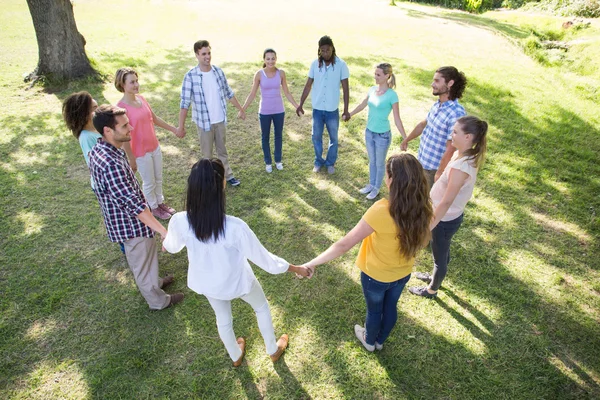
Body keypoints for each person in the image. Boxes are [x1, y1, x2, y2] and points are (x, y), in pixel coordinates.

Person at [163, 158, 311, 366]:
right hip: (239, 283)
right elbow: (265, 260)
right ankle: (272, 349)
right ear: (221, 185)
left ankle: (235, 356)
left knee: (223, 319)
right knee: (261, 307)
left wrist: (166, 240)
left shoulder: (179, 221)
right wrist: (296, 268)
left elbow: (171, 246)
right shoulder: (235, 227)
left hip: (208, 284)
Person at [300, 154, 433, 351]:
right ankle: (380, 341)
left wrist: (311, 262)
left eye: (387, 175)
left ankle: (369, 341)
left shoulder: (381, 210)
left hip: (375, 277)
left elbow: (343, 245)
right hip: (402, 274)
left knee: (374, 311)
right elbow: (423, 241)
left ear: (391, 181)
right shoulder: (425, 208)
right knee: (390, 308)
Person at [89, 105, 184, 310]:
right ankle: (159, 302)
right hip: (130, 225)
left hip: (129, 221)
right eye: (124, 126)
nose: (130, 127)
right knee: (142, 264)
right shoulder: (109, 163)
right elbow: (134, 206)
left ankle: (155, 282)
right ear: (108, 130)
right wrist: (162, 231)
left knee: (147, 258)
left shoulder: (102, 148)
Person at [409, 116, 488, 298]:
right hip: (445, 216)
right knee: (441, 253)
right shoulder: (462, 154)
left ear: (468, 137)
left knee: (439, 256)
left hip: (444, 219)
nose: (451, 134)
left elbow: (446, 201)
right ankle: (434, 277)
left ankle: (431, 290)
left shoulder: (462, 167)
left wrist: (431, 224)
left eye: (455, 132)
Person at [62, 91, 126, 255]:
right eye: (94, 108)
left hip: (116, 178)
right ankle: (127, 249)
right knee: (119, 218)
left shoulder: (98, 129)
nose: (98, 111)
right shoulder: (86, 137)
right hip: (106, 185)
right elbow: (98, 163)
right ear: (83, 114)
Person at [177, 40, 246, 186]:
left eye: (208, 53)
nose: (207, 57)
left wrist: (240, 108)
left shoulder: (218, 72)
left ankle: (227, 176)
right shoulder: (190, 76)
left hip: (219, 120)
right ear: (196, 55)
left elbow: (229, 93)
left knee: (223, 151)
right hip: (203, 123)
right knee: (207, 156)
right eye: (203, 54)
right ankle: (209, 181)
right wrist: (180, 126)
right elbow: (184, 104)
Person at [115, 68, 179, 220]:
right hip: (140, 152)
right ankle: (153, 206)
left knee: (158, 177)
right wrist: (131, 158)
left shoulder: (142, 99)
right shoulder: (121, 108)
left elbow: (154, 119)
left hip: (154, 146)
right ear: (122, 84)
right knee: (149, 182)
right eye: (132, 82)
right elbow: (123, 135)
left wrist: (173, 129)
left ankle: (160, 202)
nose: (136, 85)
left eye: (136, 81)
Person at [400, 66, 467, 189]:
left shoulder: (456, 113)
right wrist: (406, 140)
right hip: (422, 162)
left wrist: (440, 173)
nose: (432, 84)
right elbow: (423, 124)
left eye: (437, 81)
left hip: (434, 170)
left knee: (429, 204)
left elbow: (451, 148)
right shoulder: (437, 105)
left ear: (450, 83)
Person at [347, 63, 407, 200]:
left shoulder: (392, 96)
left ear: (387, 76)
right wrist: (350, 114)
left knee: (380, 163)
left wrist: (405, 138)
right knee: (372, 161)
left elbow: (397, 118)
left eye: (378, 75)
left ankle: (376, 188)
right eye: (375, 74)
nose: (375, 77)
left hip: (382, 136)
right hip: (369, 132)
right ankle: (371, 184)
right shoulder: (372, 90)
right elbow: (362, 104)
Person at [297, 36, 350, 174]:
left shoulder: (341, 65)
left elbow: (345, 88)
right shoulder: (315, 64)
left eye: (328, 50)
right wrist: (300, 104)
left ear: (333, 48)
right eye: (322, 50)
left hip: (332, 109)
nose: (326, 53)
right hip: (318, 109)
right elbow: (308, 85)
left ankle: (330, 162)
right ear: (319, 50)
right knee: (316, 136)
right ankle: (319, 161)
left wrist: (346, 110)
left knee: (334, 137)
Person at [241, 48, 299, 173]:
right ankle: (268, 162)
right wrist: (243, 109)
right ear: (264, 60)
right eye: (268, 59)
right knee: (265, 137)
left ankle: (278, 160)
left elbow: (287, 93)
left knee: (278, 136)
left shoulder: (281, 73)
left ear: (276, 59)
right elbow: (252, 94)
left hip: (279, 110)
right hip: (265, 111)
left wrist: (297, 106)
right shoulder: (259, 74)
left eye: (273, 58)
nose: (271, 61)